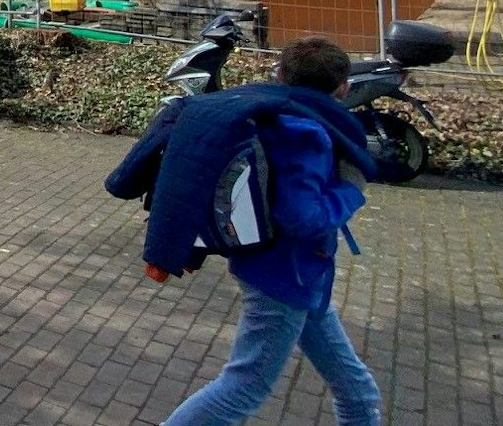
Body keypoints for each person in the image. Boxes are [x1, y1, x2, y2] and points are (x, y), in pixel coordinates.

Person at [160, 36, 384, 426]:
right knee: (243, 388)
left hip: (296, 275)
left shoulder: (270, 115)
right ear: (344, 89)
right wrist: (351, 187)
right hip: (285, 277)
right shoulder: (306, 133)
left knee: (358, 390)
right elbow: (301, 218)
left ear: (279, 75)